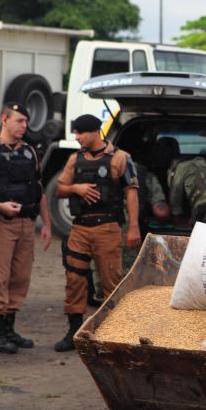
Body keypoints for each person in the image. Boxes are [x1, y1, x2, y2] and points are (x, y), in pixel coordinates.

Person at [54, 114, 141, 352]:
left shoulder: (120, 158)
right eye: (76, 133)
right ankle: (74, 330)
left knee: (111, 281)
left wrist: (133, 227)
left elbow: (131, 192)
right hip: (80, 227)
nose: (77, 137)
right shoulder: (75, 159)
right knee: (74, 280)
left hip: (108, 227)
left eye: (80, 132)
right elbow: (60, 189)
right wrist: (76, 188)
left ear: (95, 132)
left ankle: (113, 333)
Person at [0, 103, 52, 354]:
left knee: (20, 277)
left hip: (27, 222)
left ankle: (9, 329)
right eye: (19, 121)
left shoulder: (29, 152)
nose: (24, 126)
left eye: (26, 122)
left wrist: (47, 224)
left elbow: (38, 189)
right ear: (4, 119)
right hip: (2, 224)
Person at [120, 161, 170, 273]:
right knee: (128, 271)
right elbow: (161, 212)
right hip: (127, 228)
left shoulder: (105, 165)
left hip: (100, 227)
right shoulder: (145, 175)